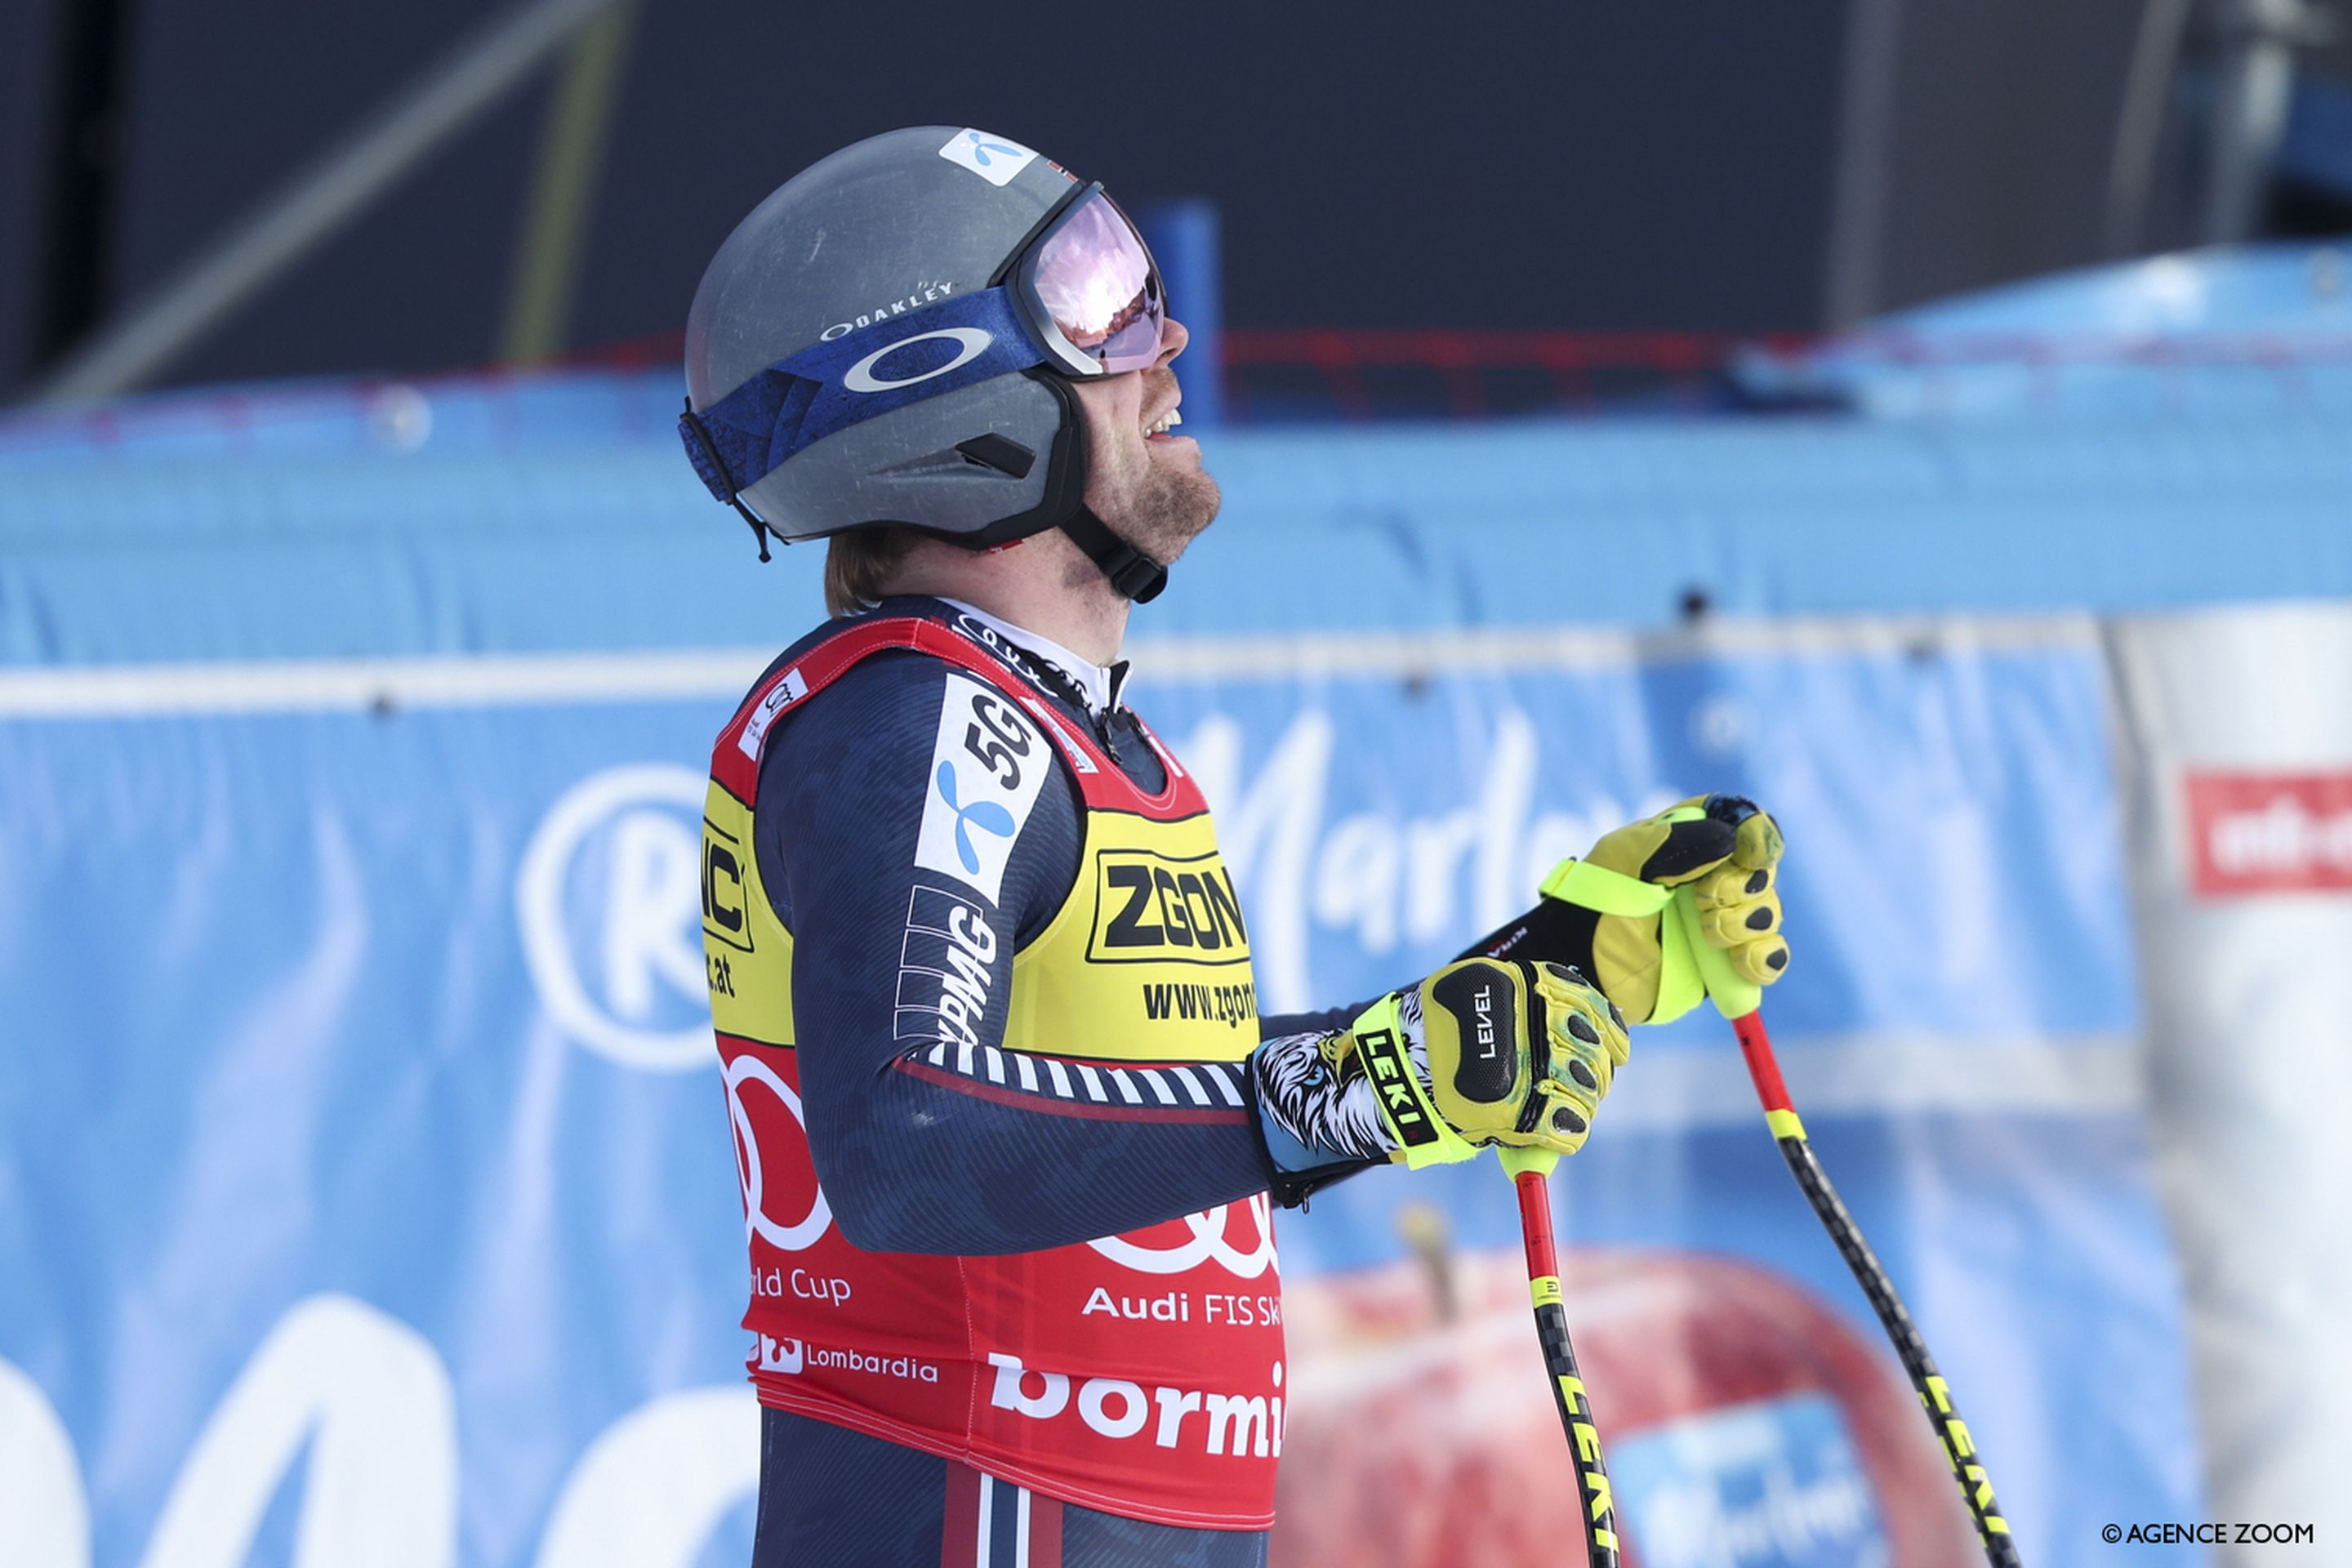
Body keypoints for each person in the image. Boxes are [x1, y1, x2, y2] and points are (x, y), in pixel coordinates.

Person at [680, 127, 1792, 1568]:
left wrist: (1543, 976)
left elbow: (1135, 1121)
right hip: (985, 1506)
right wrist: (1352, 1090)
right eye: (1096, 300)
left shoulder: (1037, 729)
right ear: (949, 401)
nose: (1169, 340)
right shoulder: (929, 719)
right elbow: (906, 1136)